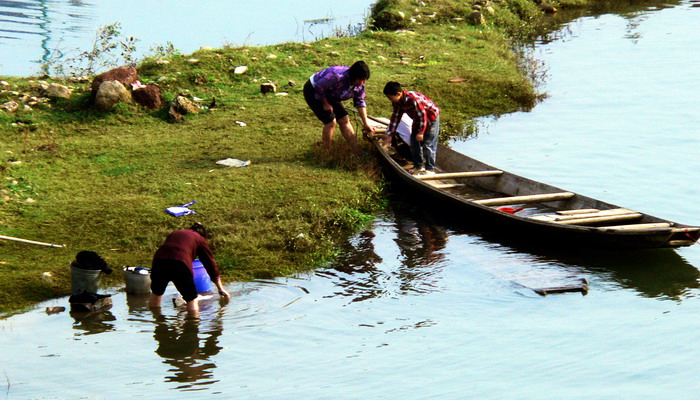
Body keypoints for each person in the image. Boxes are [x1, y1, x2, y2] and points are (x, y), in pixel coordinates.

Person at [149, 223, 230, 313]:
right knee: (191, 298)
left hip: (159, 261)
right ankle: (192, 324)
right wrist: (220, 288)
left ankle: (157, 321)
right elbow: (209, 263)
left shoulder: (176, 233)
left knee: (156, 293)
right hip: (180, 263)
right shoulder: (200, 239)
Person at [304, 60, 375, 153]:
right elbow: (319, 87)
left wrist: (366, 123)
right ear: (354, 77)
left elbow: (360, 101)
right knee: (330, 121)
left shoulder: (360, 85)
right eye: (361, 80)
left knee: (344, 119)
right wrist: (325, 104)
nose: (362, 83)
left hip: (332, 95)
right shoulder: (337, 76)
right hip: (314, 91)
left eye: (364, 80)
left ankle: (356, 150)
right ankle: (326, 151)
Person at [382, 81, 440, 175]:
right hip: (417, 119)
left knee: (428, 144)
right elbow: (396, 117)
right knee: (414, 142)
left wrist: (421, 132)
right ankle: (418, 166)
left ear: (398, 94)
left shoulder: (413, 99)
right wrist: (389, 135)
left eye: (390, 97)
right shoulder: (397, 102)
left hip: (430, 117)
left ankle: (430, 169)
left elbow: (423, 116)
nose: (390, 100)